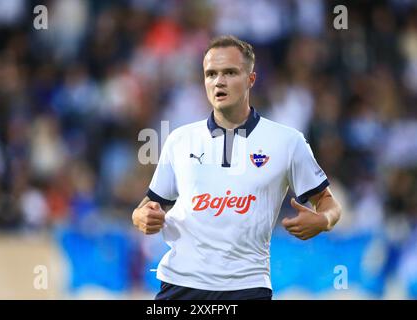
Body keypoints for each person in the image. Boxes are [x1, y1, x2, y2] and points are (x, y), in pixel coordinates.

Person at [132, 35, 342, 300]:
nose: (219, 81)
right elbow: (149, 204)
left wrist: (323, 220)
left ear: (250, 80)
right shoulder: (179, 140)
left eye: (230, 72)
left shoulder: (287, 142)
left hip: (248, 287)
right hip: (180, 285)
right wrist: (140, 217)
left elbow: (328, 202)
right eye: (211, 74)